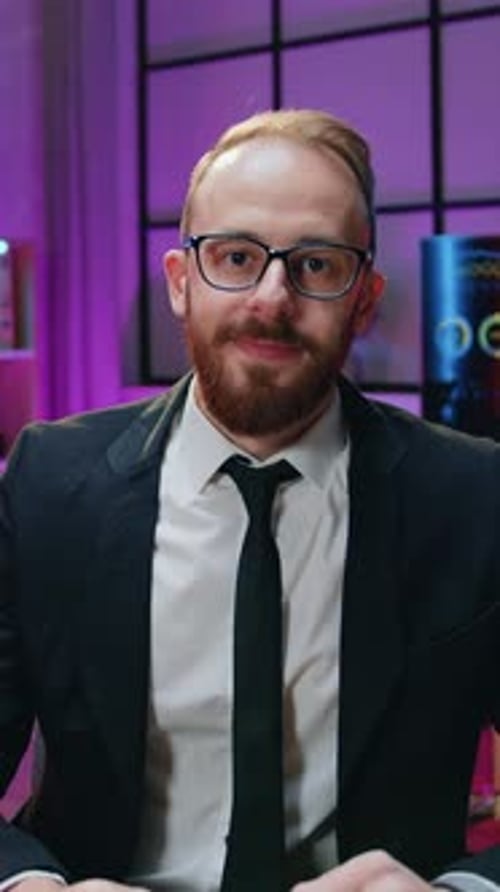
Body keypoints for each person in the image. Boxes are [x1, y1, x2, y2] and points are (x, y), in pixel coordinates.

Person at [1, 107, 500, 892]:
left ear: (364, 301)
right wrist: (30, 886)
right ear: (180, 283)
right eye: (235, 256)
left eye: (317, 265)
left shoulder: (474, 496)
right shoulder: (46, 483)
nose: (271, 298)